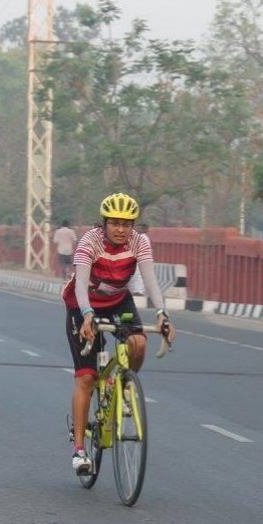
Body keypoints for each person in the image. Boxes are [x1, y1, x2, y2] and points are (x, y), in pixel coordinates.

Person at [64, 193, 175, 475]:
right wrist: (87, 314)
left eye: (127, 224)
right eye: (114, 223)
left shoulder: (140, 242)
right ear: (104, 223)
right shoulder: (89, 241)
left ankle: (124, 385)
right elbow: (79, 282)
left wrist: (162, 313)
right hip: (83, 304)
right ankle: (79, 451)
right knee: (87, 378)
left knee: (138, 343)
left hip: (118, 301)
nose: (121, 229)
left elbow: (150, 280)